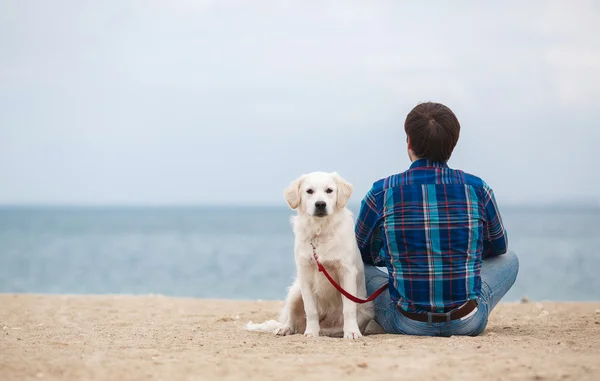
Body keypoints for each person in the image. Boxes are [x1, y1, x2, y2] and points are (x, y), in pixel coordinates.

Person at [354, 101, 518, 336]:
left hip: (405, 322)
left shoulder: (382, 191)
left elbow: (360, 252)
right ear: (453, 144)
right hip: (467, 321)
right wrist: (461, 256)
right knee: (510, 259)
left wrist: (393, 256)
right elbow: (498, 247)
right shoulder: (478, 188)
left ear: (409, 142)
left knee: (358, 266)